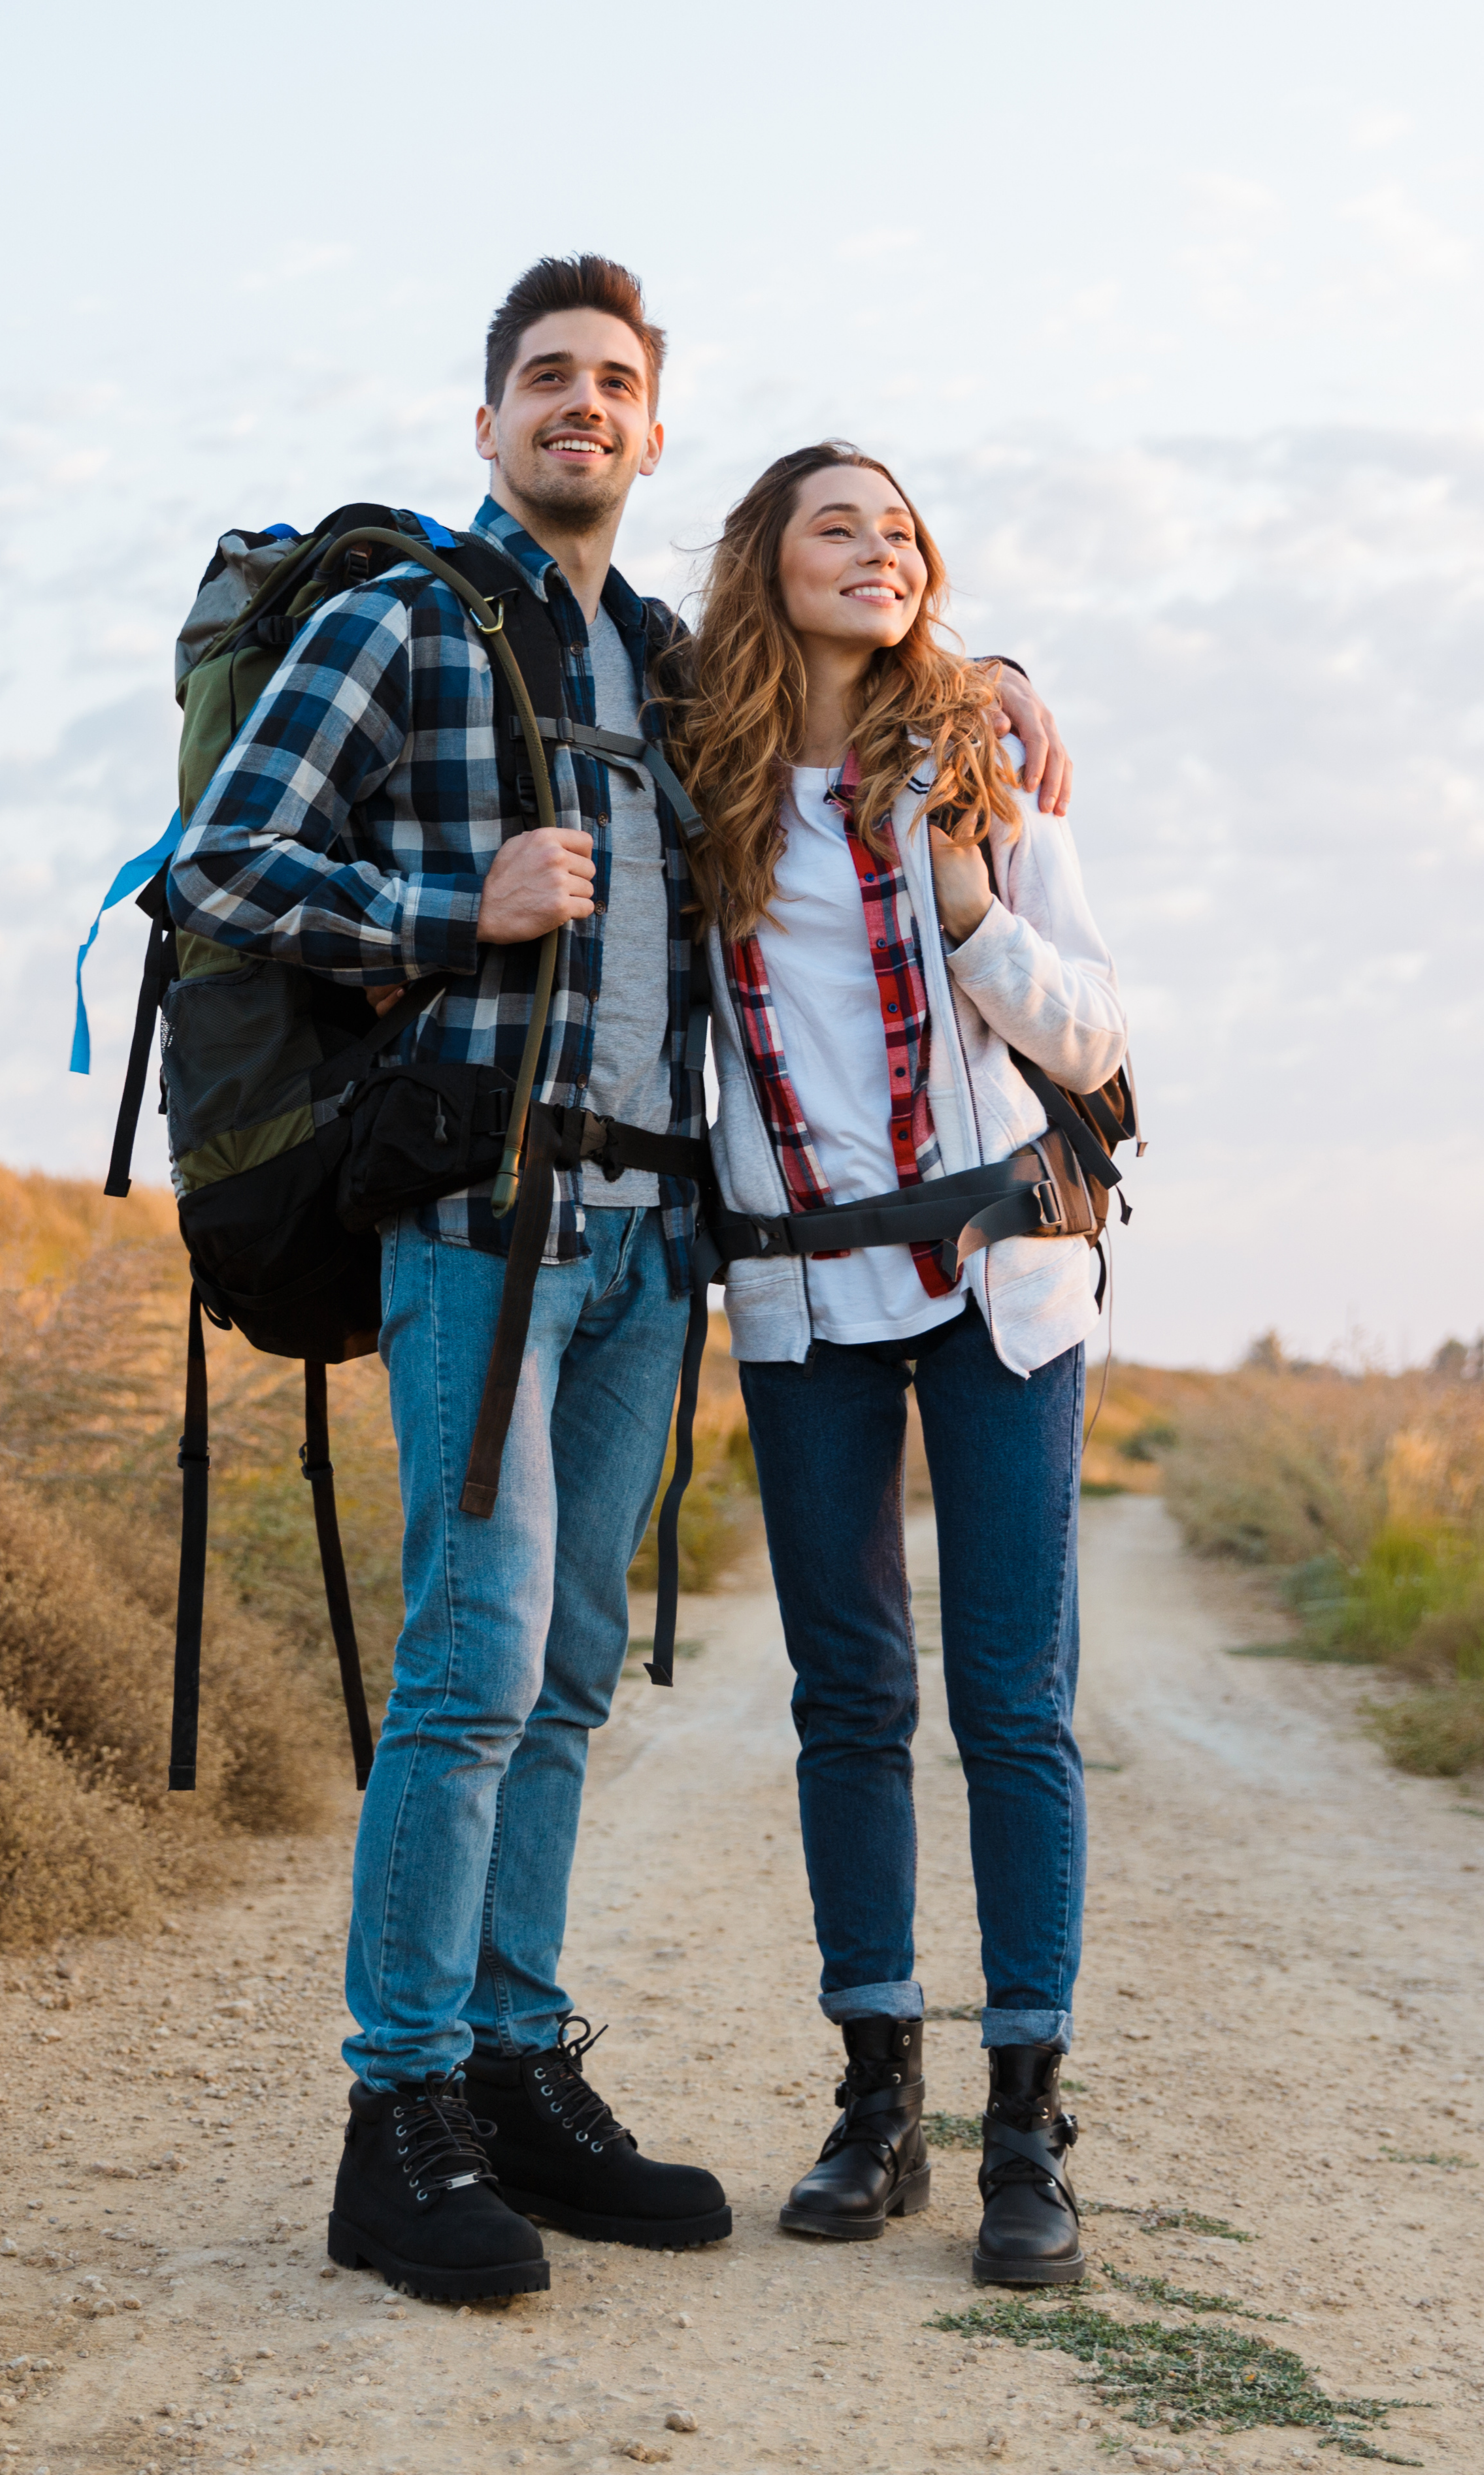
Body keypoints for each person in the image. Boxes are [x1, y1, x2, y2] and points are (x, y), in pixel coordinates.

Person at [168, 259, 1074, 2302]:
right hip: (483, 1221)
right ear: (490, 422)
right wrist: (446, 897)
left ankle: (507, 2063)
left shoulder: (672, 665)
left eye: (616, 386)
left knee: (570, 1677)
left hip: (654, 1246)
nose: (583, 408)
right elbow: (219, 869)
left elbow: (847, 674)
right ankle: (392, 2115)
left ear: (656, 439)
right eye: (547, 381)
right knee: (473, 1667)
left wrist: (994, 667)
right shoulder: (403, 624)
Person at [660, 442, 1125, 2285]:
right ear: (763, 562)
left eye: (904, 530)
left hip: (1003, 1278)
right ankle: (876, 2100)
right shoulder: (700, 774)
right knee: (846, 1697)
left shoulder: (983, 765)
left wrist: (960, 898)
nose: (876, 549)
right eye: (834, 524)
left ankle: (1023, 2127)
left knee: (1010, 1698)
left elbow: (1092, 1025)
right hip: (797, 1303)